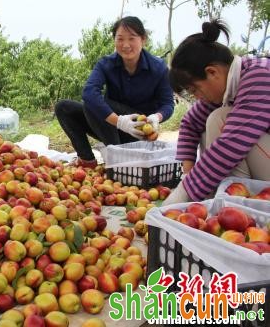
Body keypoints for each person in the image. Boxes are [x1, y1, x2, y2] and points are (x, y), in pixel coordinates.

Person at [163, 20, 270, 205]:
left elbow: (231, 144)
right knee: (210, 124)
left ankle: (234, 203)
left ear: (212, 72)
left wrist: (182, 195)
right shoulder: (226, 88)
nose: (197, 97)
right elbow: (190, 123)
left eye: (194, 90)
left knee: (219, 119)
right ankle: (231, 203)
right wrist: (186, 175)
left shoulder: (259, 74)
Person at [55, 16, 174, 168]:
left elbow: (168, 104)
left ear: (143, 39)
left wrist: (157, 117)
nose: (125, 45)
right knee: (64, 107)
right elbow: (89, 93)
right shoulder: (106, 64)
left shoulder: (158, 68)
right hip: (110, 128)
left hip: (138, 133)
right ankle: (87, 160)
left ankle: (119, 162)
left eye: (132, 38)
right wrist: (119, 122)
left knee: (99, 104)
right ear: (114, 40)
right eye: (120, 39)